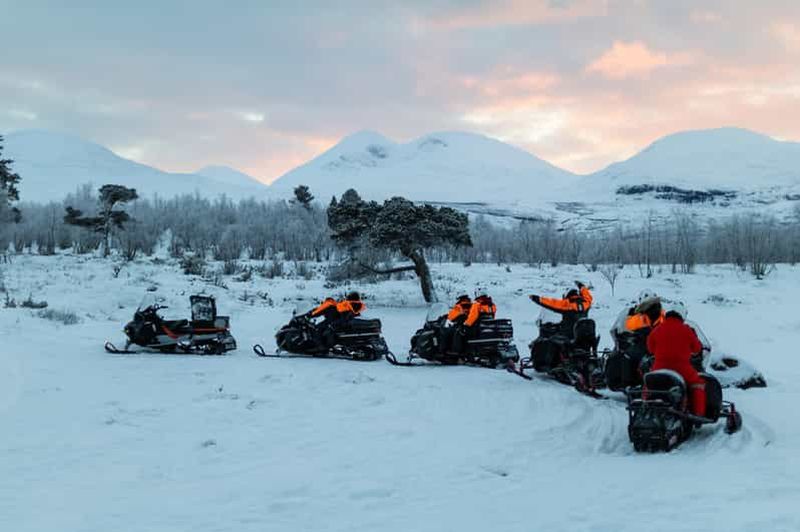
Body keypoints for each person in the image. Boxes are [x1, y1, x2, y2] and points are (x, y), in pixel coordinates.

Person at [646, 308, 706, 417]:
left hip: (659, 366)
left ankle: (646, 407)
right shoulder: (686, 330)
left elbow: (650, 348)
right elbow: (697, 348)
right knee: (697, 383)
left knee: (650, 383)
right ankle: (698, 413)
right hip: (682, 368)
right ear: (681, 318)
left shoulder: (657, 329)